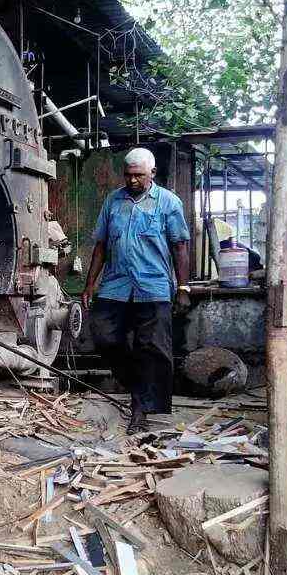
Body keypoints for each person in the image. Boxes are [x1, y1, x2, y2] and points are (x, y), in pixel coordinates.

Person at [80, 148, 191, 434]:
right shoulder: (113, 201)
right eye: (128, 175)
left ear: (152, 174)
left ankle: (140, 410)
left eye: (138, 176)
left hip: (153, 286)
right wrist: (90, 284)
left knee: (151, 347)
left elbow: (180, 246)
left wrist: (183, 287)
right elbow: (101, 246)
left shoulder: (169, 203)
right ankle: (138, 386)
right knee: (103, 335)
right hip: (116, 285)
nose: (132, 181)